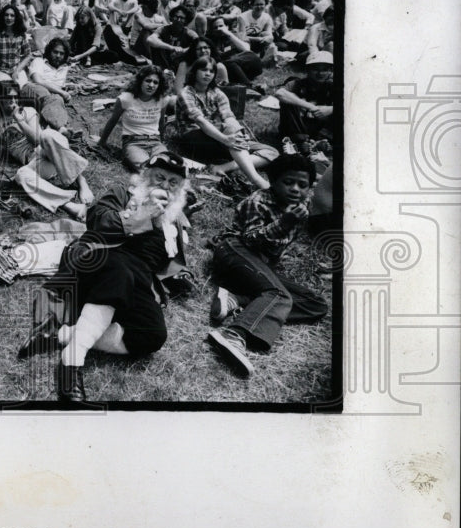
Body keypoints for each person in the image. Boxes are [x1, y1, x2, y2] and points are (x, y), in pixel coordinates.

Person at [20, 153, 190, 402]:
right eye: (160, 178)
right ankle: (71, 362)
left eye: (173, 183)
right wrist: (142, 213)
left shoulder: (173, 222)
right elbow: (97, 221)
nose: (165, 186)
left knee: (152, 334)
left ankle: (59, 336)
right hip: (95, 266)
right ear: (145, 176)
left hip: (131, 284)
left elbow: (165, 265)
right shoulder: (123, 193)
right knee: (121, 269)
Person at [206, 154, 327, 377]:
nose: (295, 189)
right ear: (273, 181)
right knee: (279, 296)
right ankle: (235, 334)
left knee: (316, 304)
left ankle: (238, 299)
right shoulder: (258, 201)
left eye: (303, 185)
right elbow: (250, 239)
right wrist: (284, 222)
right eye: (288, 182)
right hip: (234, 252)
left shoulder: (301, 204)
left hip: (259, 266)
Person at [0, 81, 93, 220]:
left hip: (50, 149)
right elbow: (0, 143)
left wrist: (19, 121)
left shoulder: (27, 112)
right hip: (37, 163)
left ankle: (81, 181)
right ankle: (69, 205)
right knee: (21, 174)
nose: (13, 102)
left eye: (15, 98)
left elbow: (37, 140)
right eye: (8, 99)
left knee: (46, 135)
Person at [175, 57, 278, 191]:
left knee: (272, 152)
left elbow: (228, 117)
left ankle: (224, 167)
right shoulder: (186, 93)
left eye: (211, 71)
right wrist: (226, 139)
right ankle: (256, 179)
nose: (208, 74)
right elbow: (200, 121)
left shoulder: (217, 92)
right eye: (203, 70)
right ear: (194, 72)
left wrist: (239, 135)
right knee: (231, 132)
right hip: (193, 138)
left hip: (218, 136)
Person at [98, 64, 173, 172]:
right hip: (133, 143)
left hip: (155, 142)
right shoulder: (125, 99)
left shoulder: (162, 100)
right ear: (140, 81)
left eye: (155, 82)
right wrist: (102, 142)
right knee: (146, 169)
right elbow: (112, 121)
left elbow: (161, 123)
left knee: (167, 166)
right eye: (148, 81)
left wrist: (162, 143)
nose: (151, 85)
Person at [274, 51, 334, 151]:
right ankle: (301, 143)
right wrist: (311, 107)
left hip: (320, 128)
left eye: (325, 70)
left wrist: (331, 109)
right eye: (315, 69)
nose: (320, 73)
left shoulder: (333, 86)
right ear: (308, 70)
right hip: (296, 128)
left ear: (330, 71)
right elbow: (280, 93)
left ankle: (321, 141)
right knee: (289, 100)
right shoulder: (297, 84)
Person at [21, 37, 74, 133]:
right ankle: (61, 127)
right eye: (55, 52)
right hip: (32, 90)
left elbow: (59, 88)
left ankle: (58, 129)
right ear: (49, 51)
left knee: (57, 99)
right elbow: (38, 80)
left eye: (62, 54)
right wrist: (62, 92)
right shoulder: (39, 61)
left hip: (49, 98)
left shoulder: (64, 69)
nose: (58, 56)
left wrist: (63, 92)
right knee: (53, 96)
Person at [0, 4, 31, 82]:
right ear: (2, 17)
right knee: (9, 89)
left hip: (16, 70)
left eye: (12, 15)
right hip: (0, 71)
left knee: (23, 88)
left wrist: (17, 70)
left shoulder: (21, 35)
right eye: (6, 15)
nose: (9, 18)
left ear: (16, 18)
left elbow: (28, 55)